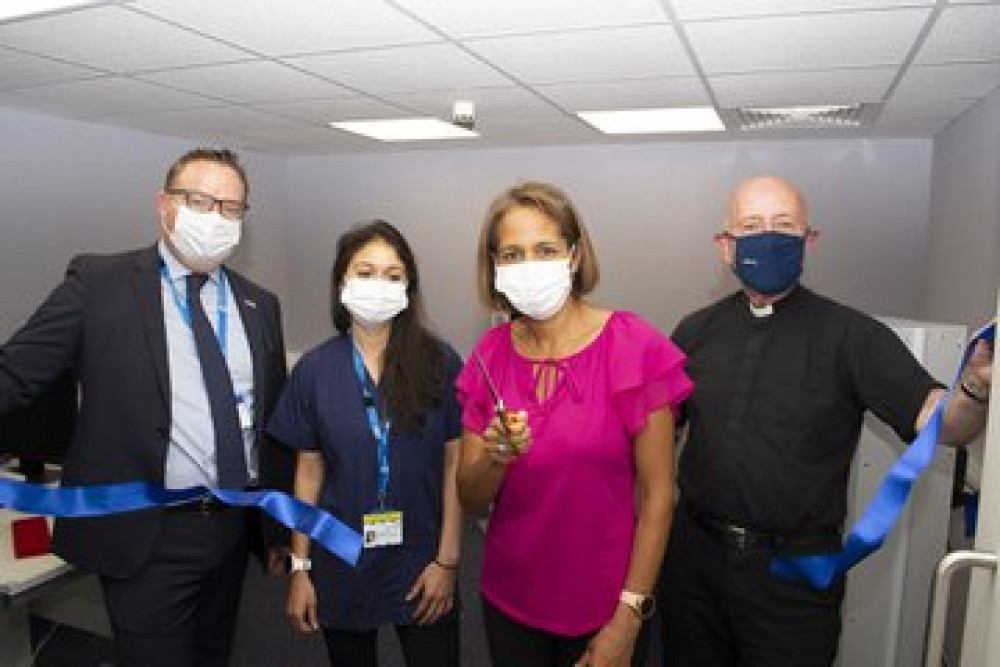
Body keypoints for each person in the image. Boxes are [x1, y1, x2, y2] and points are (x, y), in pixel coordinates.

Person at [658, 175, 994, 667]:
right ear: (725, 247)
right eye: (751, 225)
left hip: (793, 576)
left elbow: (944, 426)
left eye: (784, 225)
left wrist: (976, 389)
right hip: (693, 565)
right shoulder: (694, 331)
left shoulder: (853, 336)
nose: (767, 236)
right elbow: (656, 433)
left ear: (808, 240)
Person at [0, 147, 289, 666]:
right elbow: (15, 373)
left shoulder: (259, 305)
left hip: (230, 526)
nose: (216, 217)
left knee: (212, 653)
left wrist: (276, 528)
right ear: (164, 205)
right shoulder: (99, 284)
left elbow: (268, 426)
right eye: (199, 201)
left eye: (231, 207)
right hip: (146, 532)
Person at [456, 181, 693, 667]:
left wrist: (629, 616)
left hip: (604, 607)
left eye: (545, 250)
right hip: (509, 598)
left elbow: (658, 496)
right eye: (512, 254)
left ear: (574, 255)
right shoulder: (490, 353)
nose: (529, 266)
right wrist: (496, 457)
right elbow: (470, 497)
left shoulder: (634, 347)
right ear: (495, 267)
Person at [267, 220, 464, 667]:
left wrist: (448, 561)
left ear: (409, 287)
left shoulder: (440, 362)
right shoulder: (315, 371)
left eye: (393, 276)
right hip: (341, 556)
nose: (379, 285)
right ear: (342, 282)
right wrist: (300, 568)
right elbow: (308, 473)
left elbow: (456, 460)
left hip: (423, 554)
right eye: (366, 271)